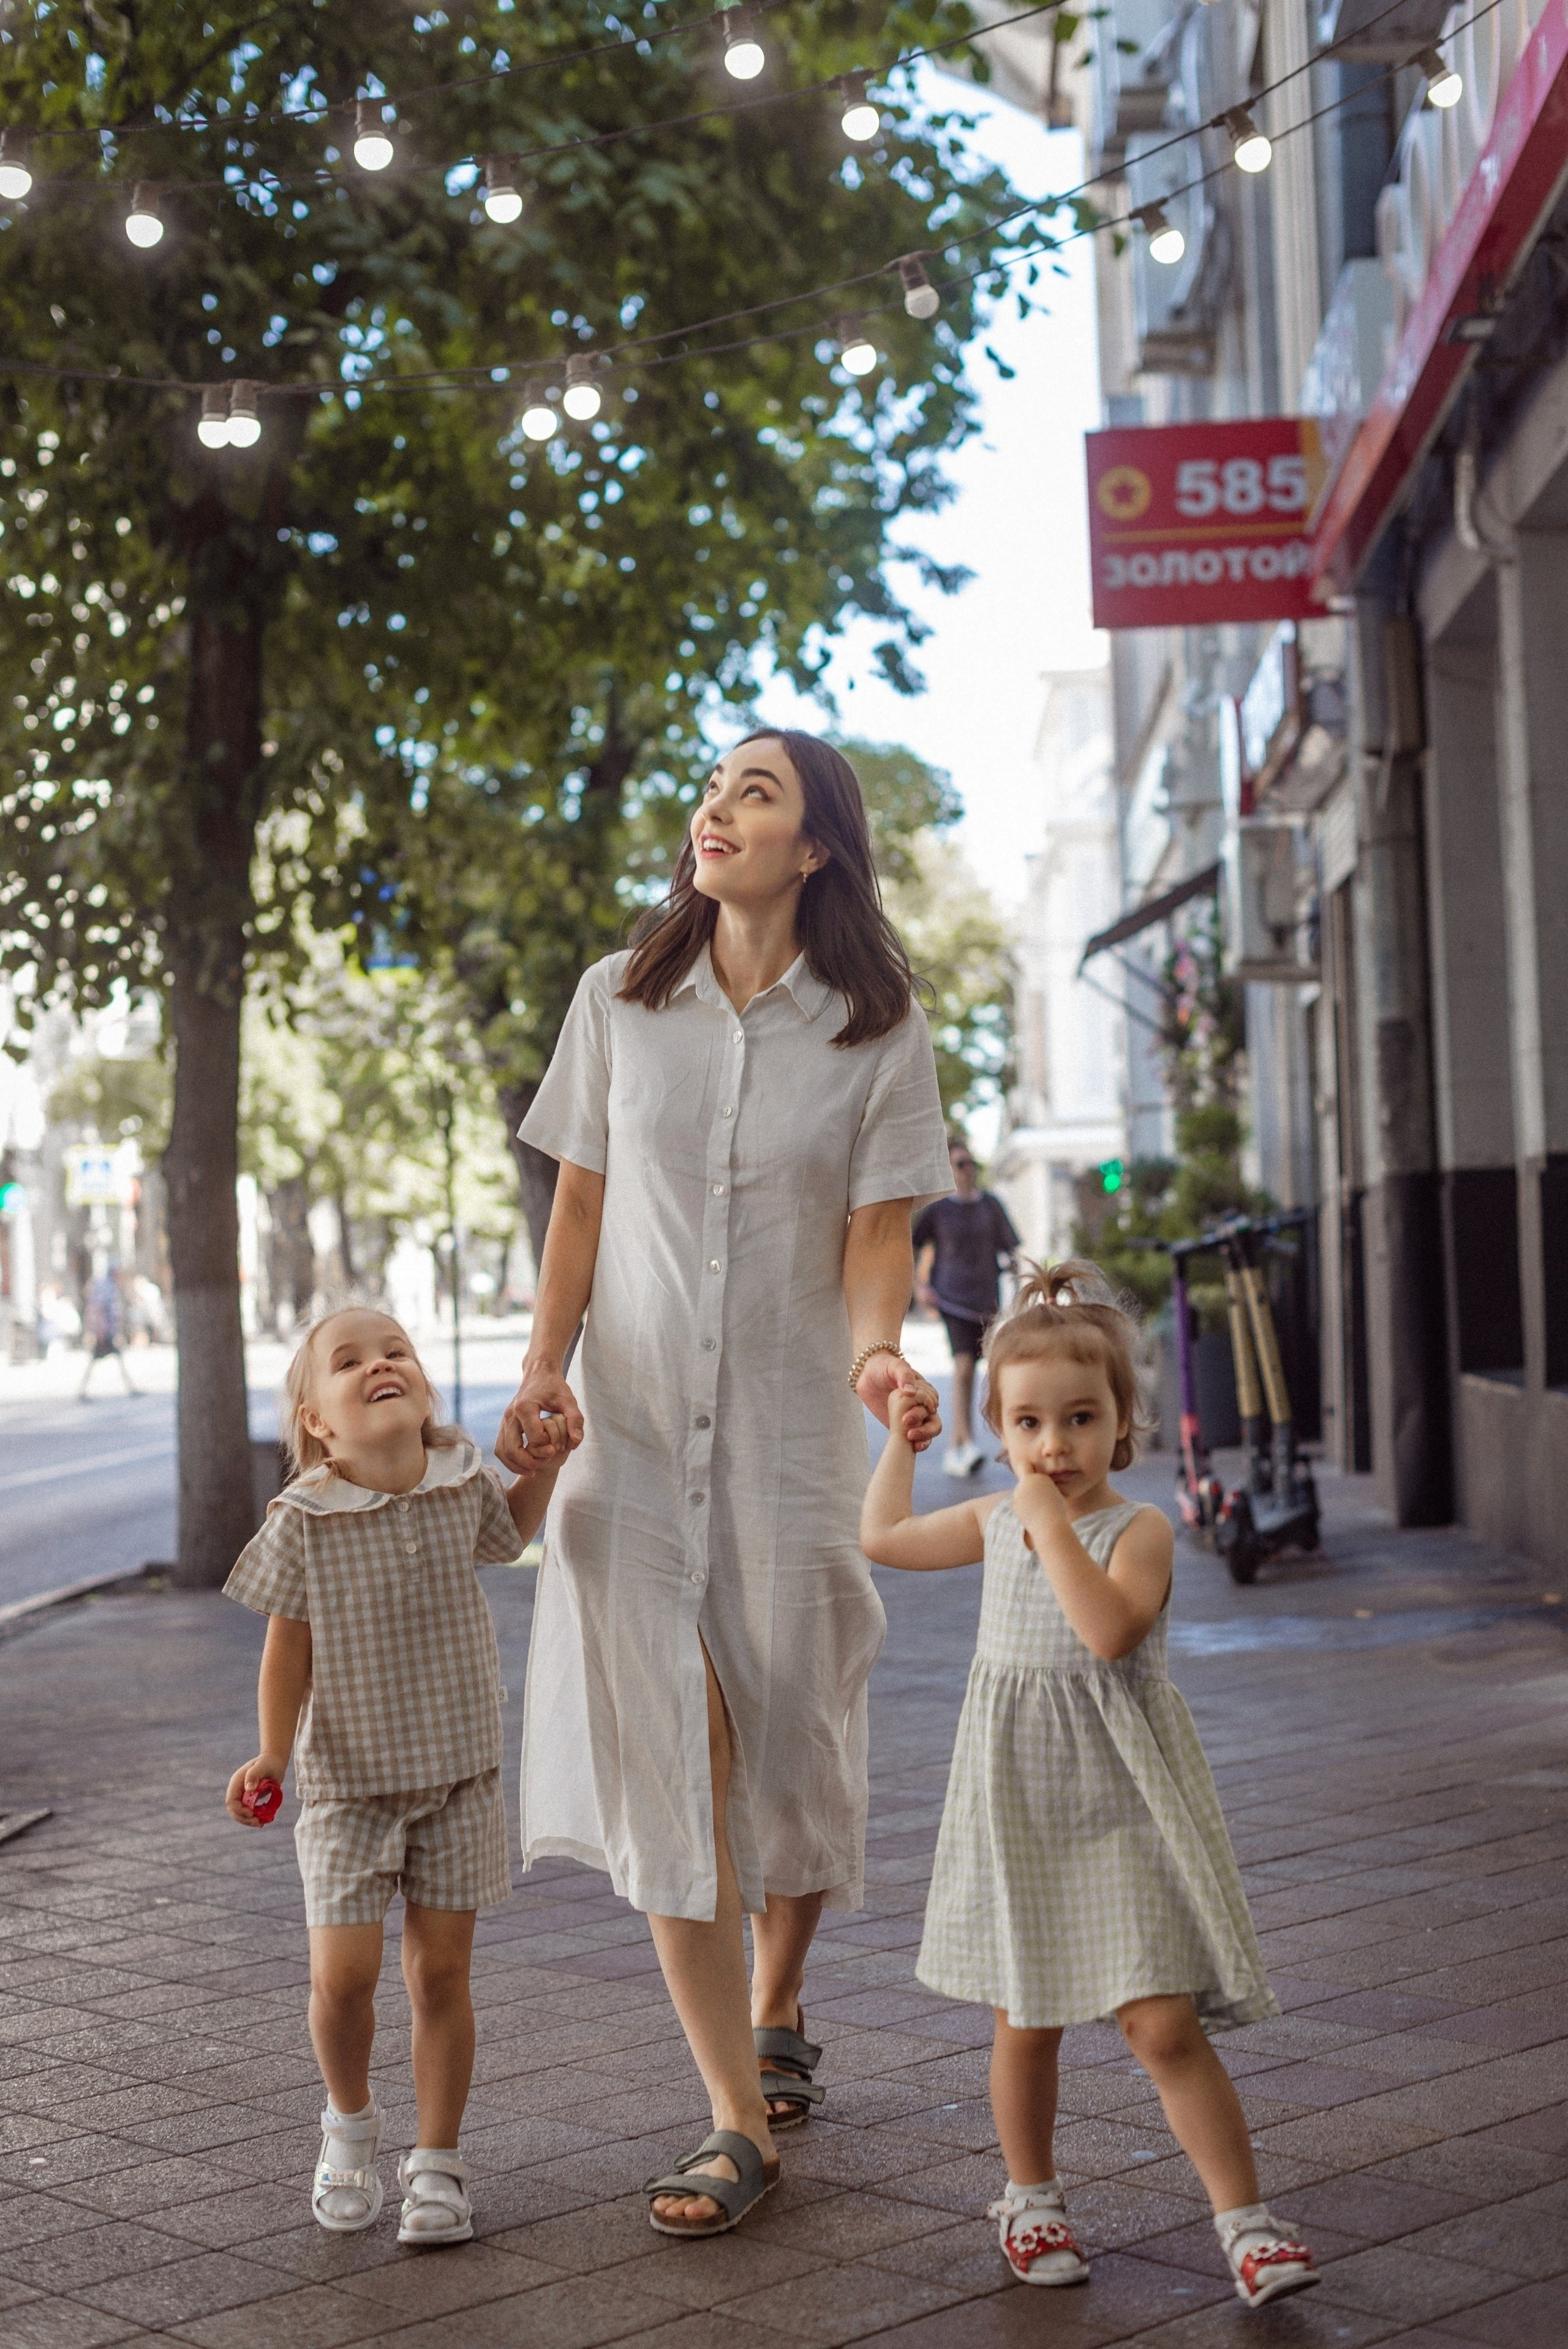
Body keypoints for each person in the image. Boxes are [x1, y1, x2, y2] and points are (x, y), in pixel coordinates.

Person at [497, 730, 952, 2237]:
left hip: (784, 1435)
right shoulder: (617, 997)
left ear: (813, 844)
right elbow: (579, 1195)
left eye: (754, 790)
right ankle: (728, 2113)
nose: (717, 806)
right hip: (621, 1436)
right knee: (671, 1756)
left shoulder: (875, 1024)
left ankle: (780, 1995)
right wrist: (544, 1367)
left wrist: (878, 1357)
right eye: (713, 785)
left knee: (792, 1732)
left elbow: (875, 1235)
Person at [861, 1262, 1319, 2310]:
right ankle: (1030, 2196)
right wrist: (902, 1438)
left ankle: (1246, 2222)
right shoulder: (996, 1515)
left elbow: (1107, 1629)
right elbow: (880, 1536)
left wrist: (1045, 1521)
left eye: (1078, 1418)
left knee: (1161, 2022)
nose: (1052, 1444)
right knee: (1026, 2018)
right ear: (1002, 1426)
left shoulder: (1139, 1528)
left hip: (1121, 1808)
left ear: (1125, 1425)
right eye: (1026, 1422)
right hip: (1020, 1803)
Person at [224, 1307, 560, 2247]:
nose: (381, 1363)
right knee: (343, 1977)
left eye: (396, 1351)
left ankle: (439, 2160)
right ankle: (349, 2123)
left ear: (422, 1390)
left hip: (458, 1773)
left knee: (441, 1973)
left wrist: (545, 1469)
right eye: (350, 1360)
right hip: (344, 1784)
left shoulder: (459, 1480)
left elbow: (510, 1533)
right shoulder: (304, 1518)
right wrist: (272, 1754)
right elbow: (285, 1651)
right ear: (318, 1422)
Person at [913, 1140, 1018, 1478]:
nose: (966, 1168)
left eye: (970, 1162)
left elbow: (1011, 1249)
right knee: (962, 1369)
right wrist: (920, 1285)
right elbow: (910, 1245)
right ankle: (965, 1443)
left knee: (985, 1371)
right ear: (949, 1169)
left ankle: (959, 1446)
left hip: (987, 1301)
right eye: (959, 1164)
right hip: (952, 1299)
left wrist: (1024, 1283)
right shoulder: (939, 1210)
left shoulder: (991, 1206)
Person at [78, 1263, 136, 1398]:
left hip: (108, 1332)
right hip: (105, 1333)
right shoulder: (107, 1287)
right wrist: (101, 1333)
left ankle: (130, 1387)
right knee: (96, 1360)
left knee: (113, 1359)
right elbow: (100, 1311)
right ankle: (82, 1390)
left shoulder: (111, 1286)